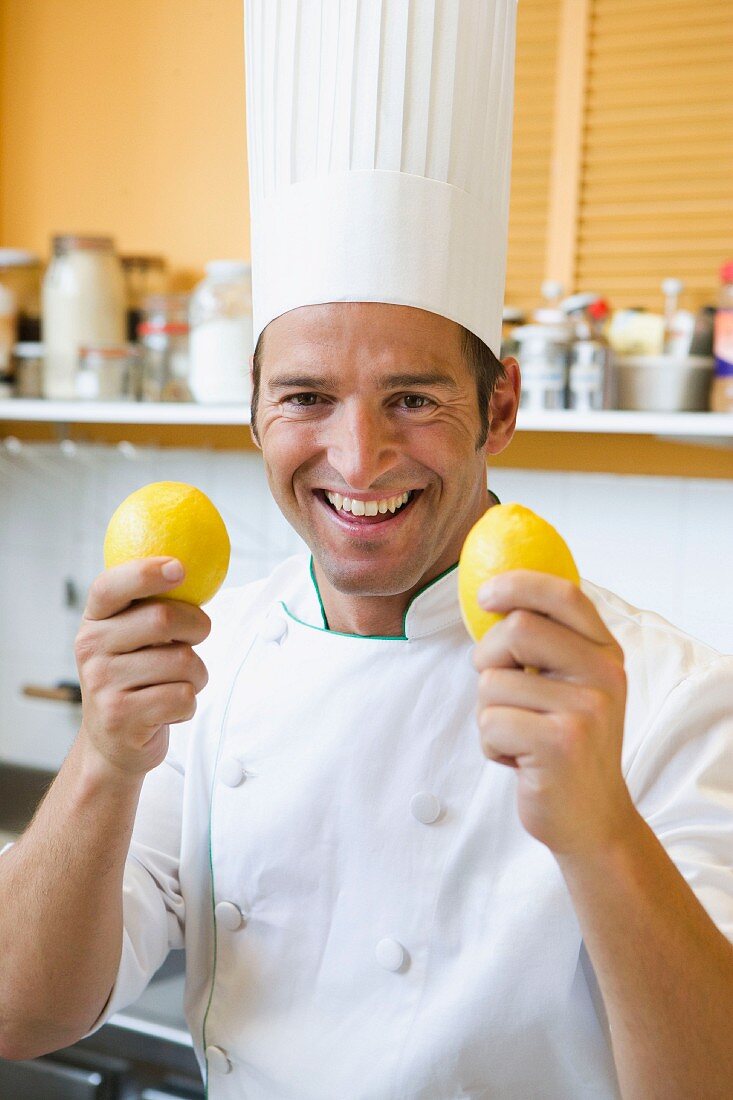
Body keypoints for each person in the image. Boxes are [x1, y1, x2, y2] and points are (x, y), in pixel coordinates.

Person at [2, 3, 733, 1097]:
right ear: (251, 413)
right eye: (305, 395)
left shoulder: (660, 693)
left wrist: (599, 834)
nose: (358, 455)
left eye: (412, 397)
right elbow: (23, 1009)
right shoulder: (209, 664)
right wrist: (106, 755)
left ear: (499, 408)